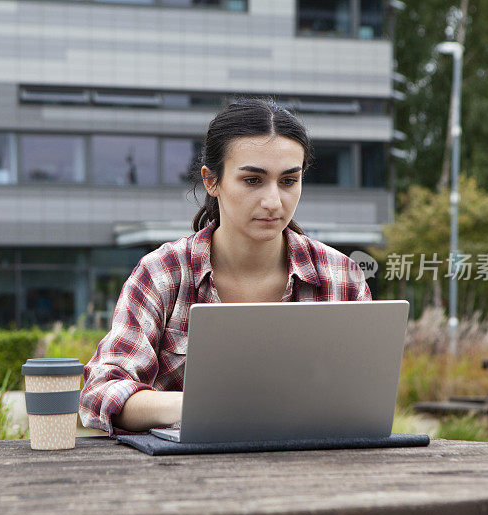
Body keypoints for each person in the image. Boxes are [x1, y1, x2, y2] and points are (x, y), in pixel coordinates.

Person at [79, 98, 371, 436]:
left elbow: (363, 400)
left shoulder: (342, 277)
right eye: (252, 180)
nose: (273, 202)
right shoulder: (164, 272)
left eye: (289, 181)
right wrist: (200, 405)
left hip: (310, 470)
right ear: (211, 180)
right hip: (187, 476)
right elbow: (100, 392)